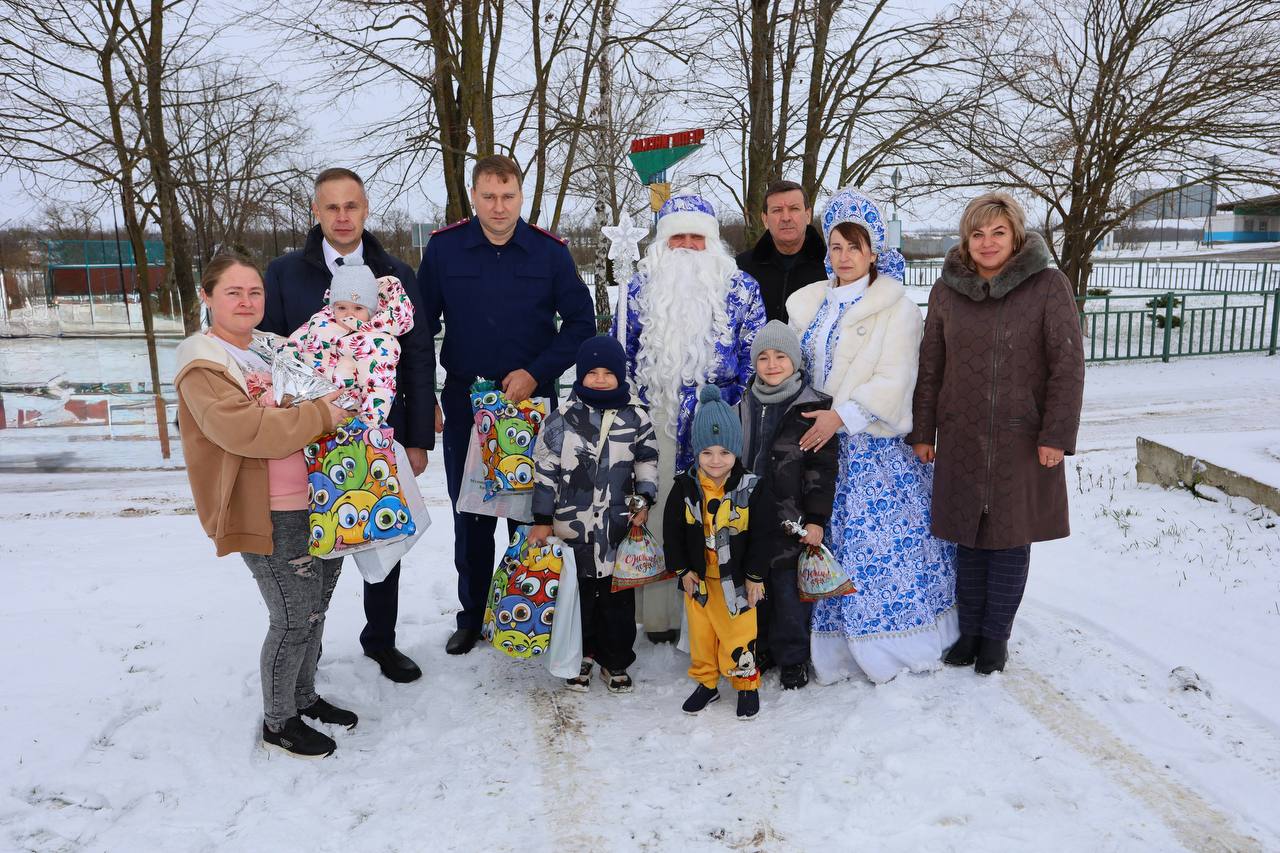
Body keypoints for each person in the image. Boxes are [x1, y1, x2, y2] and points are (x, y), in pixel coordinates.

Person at [175, 254, 355, 758]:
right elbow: (244, 430)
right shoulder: (202, 363)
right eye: (233, 292)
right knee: (293, 617)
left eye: (254, 292)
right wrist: (320, 414)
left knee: (315, 611)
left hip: (321, 499)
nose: (247, 302)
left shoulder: (271, 347)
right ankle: (279, 722)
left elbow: (328, 389)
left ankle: (303, 697)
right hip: (269, 508)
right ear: (206, 297)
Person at [261, 167, 435, 684]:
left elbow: (419, 356)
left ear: (365, 209)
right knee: (315, 544)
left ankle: (380, 640)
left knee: (381, 532)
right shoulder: (287, 273)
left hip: (381, 430)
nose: (342, 217)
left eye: (351, 206)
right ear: (316, 212)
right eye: (331, 207)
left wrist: (419, 437)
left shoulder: (398, 273)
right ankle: (305, 647)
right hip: (308, 434)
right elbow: (271, 351)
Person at [419, 155, 596, 655]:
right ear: (473, 197)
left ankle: (524, 609)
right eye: (489, 196)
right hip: (466, 405)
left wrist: (538, 371)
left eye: (509, 196)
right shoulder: (444, 250)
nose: (499, 207)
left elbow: (582, 324)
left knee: (531, 515)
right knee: (471, 516)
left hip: (531, 408)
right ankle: (472, 615)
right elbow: (418, 327)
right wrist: (425, 396)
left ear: (522, 197)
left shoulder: (549, 253)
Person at [786, 186, 958, 685]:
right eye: (836, 246)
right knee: (825, 544)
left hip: (870, 449)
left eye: (855, 247)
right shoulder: (809, 305)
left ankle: (893, 648)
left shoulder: (896, 308)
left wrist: (839, 418)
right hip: (816, 445)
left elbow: (896, 377)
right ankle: (832, 654)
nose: (844, 257)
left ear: (874, 252)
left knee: (876, 551)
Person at [909, 191, 1084, 675]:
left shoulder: (1048, 286)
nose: (987, 243)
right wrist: (924, 430)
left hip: (1022, 436)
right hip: (961, 433)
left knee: (1008, 538)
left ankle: (995, 638)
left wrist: (1055, 434)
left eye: (998, 232)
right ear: (966, 240)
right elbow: (931, 366)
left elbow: (1067, 366)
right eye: (978, 233)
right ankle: (968, 633)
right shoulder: (947, 292)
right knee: (967, 536)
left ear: (1016, 236)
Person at [613, 193, 766, 642]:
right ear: (662, 241)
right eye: (676, 235)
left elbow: (754, 355)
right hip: (656, 420)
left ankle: (717, 612)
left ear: (711, 242)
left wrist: (726, 403)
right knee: (662, 510)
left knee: (715, 515)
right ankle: (664, 617)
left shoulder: (740, 289)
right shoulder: (640, 289)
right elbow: (622, 349)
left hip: (717, 426)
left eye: (695, 237)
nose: (685, 245)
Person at [528, 335, 660, 693]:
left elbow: (647, 460)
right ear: (580, 375)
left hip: (618, 527)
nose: (600, 379)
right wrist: (542, 521)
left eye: (608, 373)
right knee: (579, 597)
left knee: (617, 599)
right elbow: (545, 472)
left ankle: (615, 659)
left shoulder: (636, 417)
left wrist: (644, 499)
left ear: (620, 376)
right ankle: (581, 656)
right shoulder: (561, 419)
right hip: (572, 528)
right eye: (592, 373)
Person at [737, 320, 839, 688]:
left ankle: (793, 656)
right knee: (755, 586)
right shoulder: (744, 401)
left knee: (788, 592)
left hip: (790, 520)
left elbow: (821, 470)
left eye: (781, 356)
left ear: (795, 361)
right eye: (763, 357)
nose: (772, 364)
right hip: (748, 516)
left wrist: (815, 519)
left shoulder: (811, 407)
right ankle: (761, 647)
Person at [665, 386, 764, 720]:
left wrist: (754, 576)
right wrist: (682, 570)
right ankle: (707, 684)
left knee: (739, 635)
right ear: (697, 453)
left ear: (735, 450)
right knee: (703, 637)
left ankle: (746, 686)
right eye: (707, 453)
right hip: (700, 581)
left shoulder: (751, 488)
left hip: (736, 582)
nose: (716, 461)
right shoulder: (684, 487)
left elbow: (764, 535)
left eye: (724, 452)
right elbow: (673, 532)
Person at [281, 261, 414, 426]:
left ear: (371, 311)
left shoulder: (377, 342)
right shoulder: (319, 321)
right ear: (333, 306)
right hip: (309, 406)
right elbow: (293, 346)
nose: (349, 314)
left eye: (358, 308)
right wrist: (280, 374)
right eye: (342, 307)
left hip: (348, 417)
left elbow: (380, 387)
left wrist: (367, 426)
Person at [735, 180, 829, 322]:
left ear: (808, 215)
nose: (786, 218)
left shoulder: (831, 267)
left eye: (794, 209)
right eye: (777, 210)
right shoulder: (741, 269)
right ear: (765, 219)